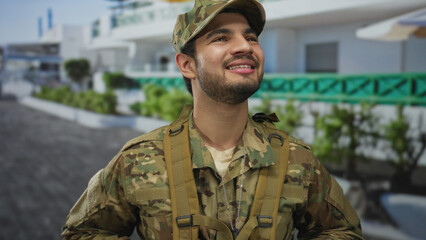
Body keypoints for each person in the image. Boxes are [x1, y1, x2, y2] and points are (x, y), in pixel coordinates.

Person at [62, 0, 364, 239]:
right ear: (187, 65)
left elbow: (341, 230)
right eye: (221, 37)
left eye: (251, 37)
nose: (245, 46)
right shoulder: (140, 158)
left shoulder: (296, 158)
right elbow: (84, 231)